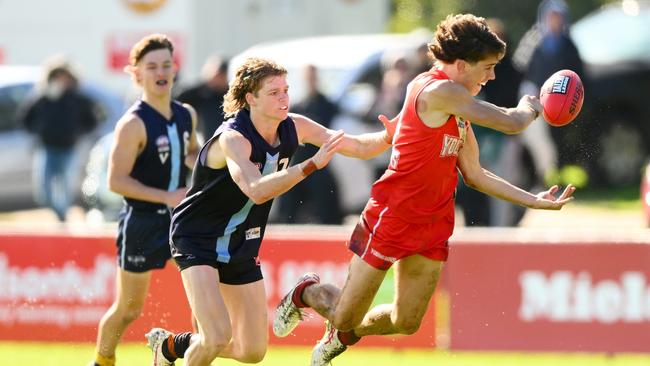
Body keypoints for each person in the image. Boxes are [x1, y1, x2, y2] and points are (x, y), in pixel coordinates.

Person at [272, 14, 576, 366]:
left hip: (433, 223)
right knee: (343, 313)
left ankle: (344, 335)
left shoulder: (458, 103)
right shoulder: (440, 91)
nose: (492, 76)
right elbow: (511, 121)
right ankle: (305, 293)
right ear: (461, 65)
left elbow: (475, 174)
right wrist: (532, 105)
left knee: (407, 321)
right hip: (393, 216)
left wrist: (533, 200)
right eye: (488, 67)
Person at [144, 57, 394, 366]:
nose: (284, 98)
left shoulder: (295, 126)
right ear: (251, 99)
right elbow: (256, 189)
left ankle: (171, 346)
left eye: (286, 90)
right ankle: (182, 350)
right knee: (217, 336)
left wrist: (388, 136)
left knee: (252, 352)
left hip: (240, 243)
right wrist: (310, 165)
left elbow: (357, 146)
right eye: (274, 92)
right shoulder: (233, 138)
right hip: (196, 238)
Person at [90, 34, 199, 366]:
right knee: (128, 309)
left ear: (175, 69)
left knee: (203, 301)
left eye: (166, 64)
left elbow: (193, 152)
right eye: (151, 66)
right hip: (143, 221)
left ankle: (194, 355)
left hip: (182, 220)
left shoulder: (186, 115)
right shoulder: (132, 124)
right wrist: (166, 195)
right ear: (136, 74)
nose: (160, 71)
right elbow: (115, 181)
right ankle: (102, 360)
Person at [19, 55, 99, 221]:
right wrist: (40, 129)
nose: (61, 81)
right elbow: (25, 118)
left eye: (64, 77)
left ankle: (62, 217)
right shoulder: (42, 98)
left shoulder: (78, 99)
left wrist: (77, 132)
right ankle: (59, 213)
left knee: (66, 189)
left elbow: (92, 120)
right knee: (44, 191)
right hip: (47, 148)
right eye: (57, 77)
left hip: (69, 149)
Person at [513, 0, 584, 184]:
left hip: (560, 103)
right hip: (534, 96)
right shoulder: (534, 39)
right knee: (534, 139)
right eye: (551, 16)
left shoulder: (568, 44)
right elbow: (520, 67)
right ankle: (537, 176)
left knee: (557, 140)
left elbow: (577, 74)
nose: (555, 20)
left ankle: (552, 177)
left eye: (558, 17)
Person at [275, 64, 342, 224]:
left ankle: (328, 226)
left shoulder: (328, 105)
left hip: (321, 160)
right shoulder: (297, 106)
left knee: (325, 188)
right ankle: (287, 227)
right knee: (287, 191)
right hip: (300, 158)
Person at [176, 55, 229, 145]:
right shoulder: (202, 93)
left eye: (221, 75)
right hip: (206, 145)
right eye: (216, 75)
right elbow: (178, 98)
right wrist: (206, 83)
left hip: (228, 144)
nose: (218, 79)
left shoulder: (230, 95)